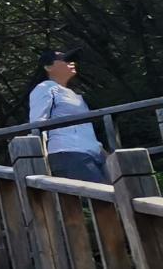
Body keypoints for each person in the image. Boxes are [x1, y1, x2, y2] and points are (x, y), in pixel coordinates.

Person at [31, 48, 108, 183]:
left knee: (116, 197)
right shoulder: (45, 87)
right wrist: (41, 159)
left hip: (93, 153)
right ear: (48, 67)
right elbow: (37, 123)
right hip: (68, 152)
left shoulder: (75, 95)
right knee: (104, 200)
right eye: (64, 59)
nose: (71, 62)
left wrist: (103, 151)